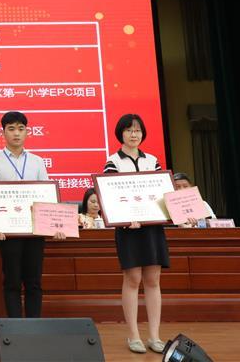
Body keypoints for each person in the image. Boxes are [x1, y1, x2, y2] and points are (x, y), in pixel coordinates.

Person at [0, 111, 65, 319]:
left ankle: (34, 326)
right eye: (11, 129)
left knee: (34, 281)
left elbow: (46, 196)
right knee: (12, 281)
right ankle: (16, 328)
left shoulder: (37, 161)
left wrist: (55, 226)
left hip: (34, 230)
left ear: (27, 132)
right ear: (3, 132)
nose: (16, 133)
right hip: (8, 232)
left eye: (21, 129)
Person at [104, 114, 168, 355]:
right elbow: (110, 198)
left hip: (152, 227)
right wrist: (124, 217)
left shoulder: (153, 161)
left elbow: (163, 195)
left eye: (138, 130)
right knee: (132, 279)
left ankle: (155, 336)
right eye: (129, 130)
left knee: (153, 280)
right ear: (120, 133)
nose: (134, 134)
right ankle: (133, 336)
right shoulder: (113, 162)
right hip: (128, 229)